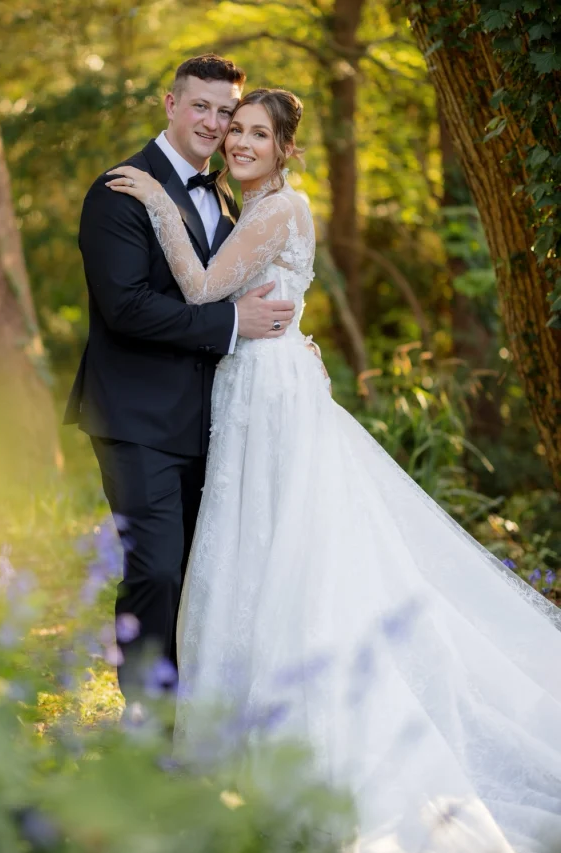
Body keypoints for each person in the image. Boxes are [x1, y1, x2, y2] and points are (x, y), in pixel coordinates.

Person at [106, 87, 561, 852]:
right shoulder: (248, 206)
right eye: (235, 130)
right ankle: (237, 742)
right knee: (252, 546)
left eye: (258, 133)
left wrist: (152, 193)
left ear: (287, 148)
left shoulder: (281, 207)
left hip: (271, 390)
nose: (240, 142)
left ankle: (308, 747)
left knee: (288, 554)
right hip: (255, 379)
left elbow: (198, 287)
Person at [64, 55, 297, 702]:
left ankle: (195, 733)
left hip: (216, 423)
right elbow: (127, 305)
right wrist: (231, 324)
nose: (214, 122)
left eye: (227, 112)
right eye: (202, 106)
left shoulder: (226, 192)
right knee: (157, 573)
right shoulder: (120, 190)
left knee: (207, 579)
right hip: (136, 419)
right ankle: (144, 737)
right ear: (170, 104)